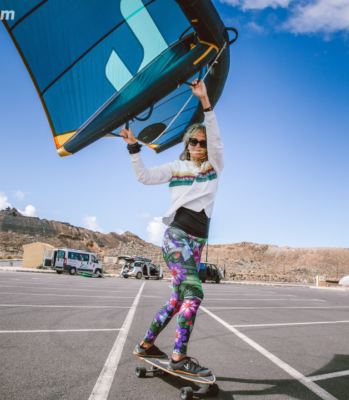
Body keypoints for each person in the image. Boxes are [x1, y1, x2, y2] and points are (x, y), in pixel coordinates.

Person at [120, 79, 223, 377]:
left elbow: (216, 140)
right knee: (194, 294)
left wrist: (205, 102)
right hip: (176, 238)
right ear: (187, 145)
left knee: (178, 299)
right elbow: (144, 176)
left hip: (197, 242)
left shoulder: (214, 168)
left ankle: (146, 344)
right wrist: (133, 147)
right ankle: (179, 357)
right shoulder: (176, 168)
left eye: (203, 143)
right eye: (194, 142)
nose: (199, 146)